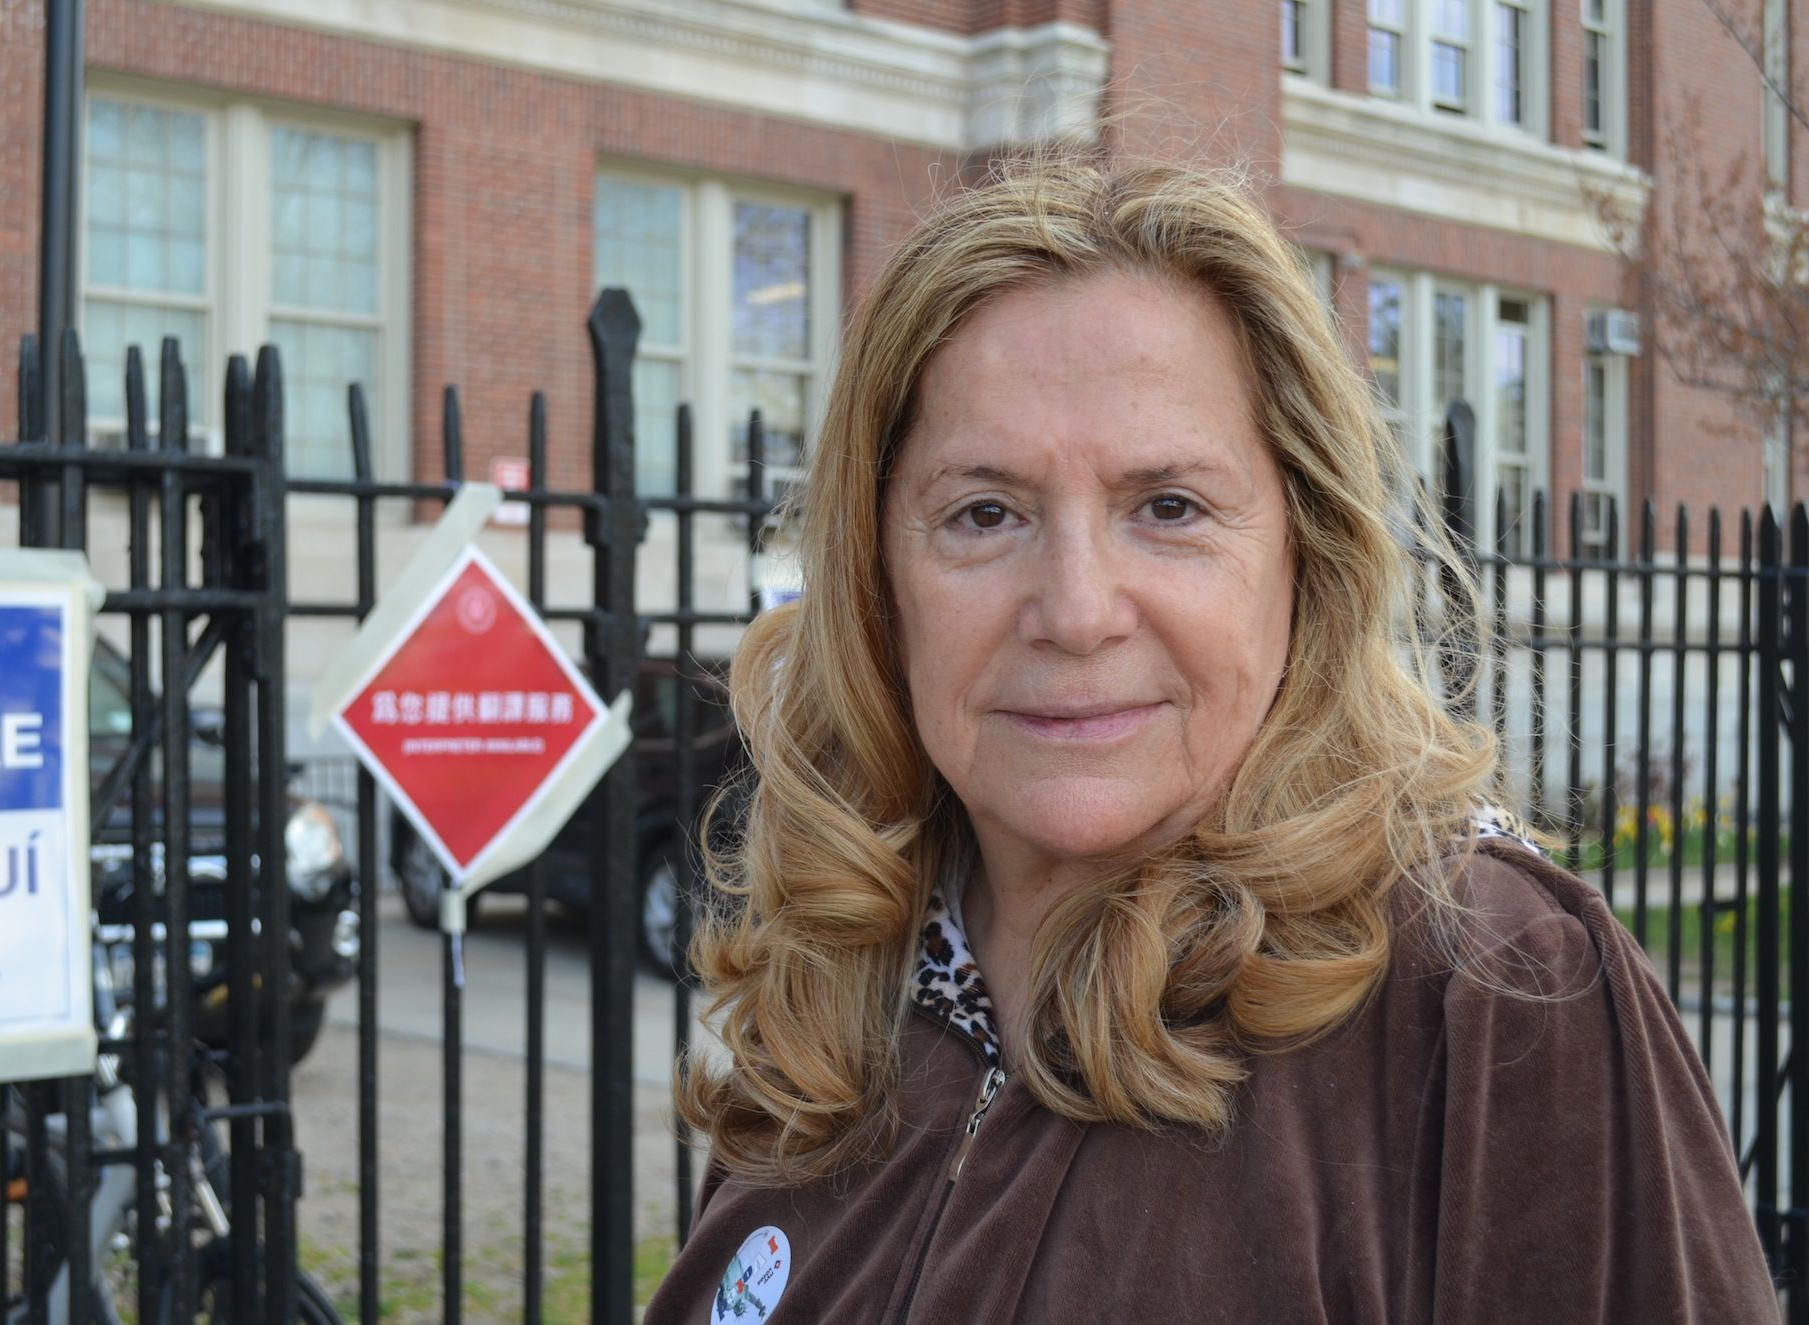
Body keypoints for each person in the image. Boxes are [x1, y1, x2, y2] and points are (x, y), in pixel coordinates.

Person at [643, 161, 1777, 1324]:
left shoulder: (1493, 995)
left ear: (1304, 553)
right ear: (874, 575)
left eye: (1168, 505)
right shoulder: (832, 1006)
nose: (1077, 608)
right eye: (983, 512)